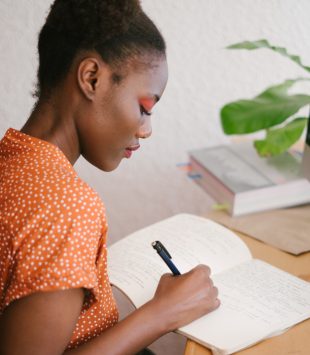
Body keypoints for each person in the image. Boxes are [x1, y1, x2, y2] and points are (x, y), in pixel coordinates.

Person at [0, 1, 220, 354]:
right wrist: (163, 313)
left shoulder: (9, 158)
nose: (146, 130)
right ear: (92, 78)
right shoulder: (67, 206)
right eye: (145, 108)